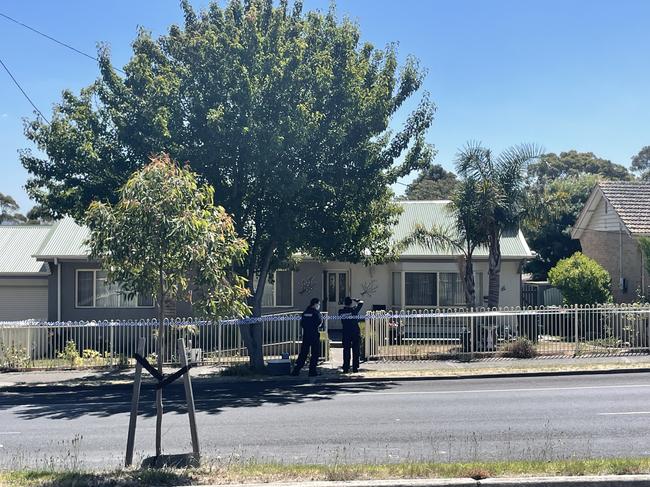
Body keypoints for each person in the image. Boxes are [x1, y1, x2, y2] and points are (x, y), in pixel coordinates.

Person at [291, 297, 323, 377]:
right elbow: (319, 323)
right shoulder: (316, 313)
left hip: (306, 335)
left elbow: (302, 323)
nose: (319, 306)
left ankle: (296, 370)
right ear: (315, 304)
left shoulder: (305, 312)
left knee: (303, 353)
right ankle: (312, 371)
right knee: (315, 353)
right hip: (314, 335)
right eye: (318, 304)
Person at [339, 297, 364, 373]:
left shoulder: (341, 311)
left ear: (344, 303)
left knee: (346, 350)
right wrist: (356, 300)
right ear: (350, 303)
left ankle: (346, 367)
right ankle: (355, 367)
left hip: (346, 332)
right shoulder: (354, 310)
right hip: (355, 332)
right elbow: (361, 302)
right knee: (356, 350)